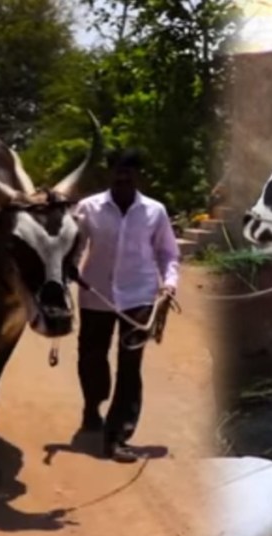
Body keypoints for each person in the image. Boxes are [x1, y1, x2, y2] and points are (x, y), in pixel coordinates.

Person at [73, 148, 180, 462]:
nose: (122, 177)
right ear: (110, 173)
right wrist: (67, 271)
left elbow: (168, 253)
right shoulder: (88, 208)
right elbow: (75, 248)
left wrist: (170, 283)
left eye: (129, 171)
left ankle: (117, 436)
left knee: (130, 366)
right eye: (118, 170)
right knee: (91, 358)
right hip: (96, 294)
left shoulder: (155, 212)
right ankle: (92, 406)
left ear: (138, 176)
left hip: (139, 297)